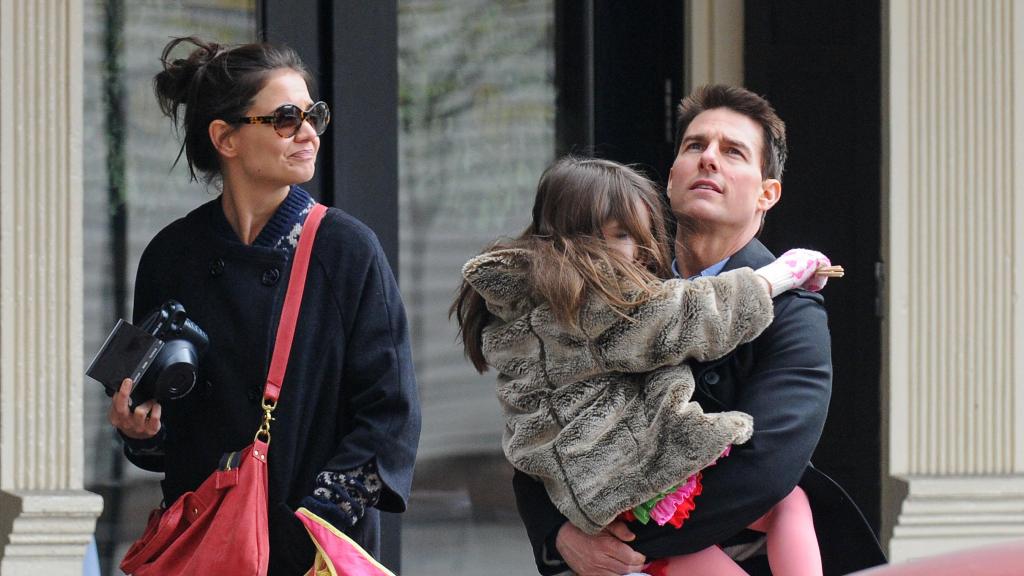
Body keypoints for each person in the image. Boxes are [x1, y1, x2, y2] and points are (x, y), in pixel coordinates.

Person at [511, 85, 887, 576]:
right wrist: (559, 536)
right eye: (695, 146)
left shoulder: (794, 307)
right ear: (671, 179)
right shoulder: (609, 288)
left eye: (733, 152)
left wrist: (621, 537)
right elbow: (539, 412)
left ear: (766, 193)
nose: (709, 159)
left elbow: (769, 463)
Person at [106, 36, 420, 574]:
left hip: (312, 550)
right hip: (203, 543)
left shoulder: (346, 249)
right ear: (225, 138)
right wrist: (140, 428)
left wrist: (315, 519)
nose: (308, 134)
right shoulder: (167, 255)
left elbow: (389, 415)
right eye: (285, 119)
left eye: (313, 115)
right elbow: (145, 411)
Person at [453, 156, 832, 575]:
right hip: (638, 481)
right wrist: (780, 275)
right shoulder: (591, 302)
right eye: (603, 236)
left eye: (627, 235)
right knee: (727, 534)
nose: (623, 251)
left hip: (614, 489)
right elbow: (691, 317)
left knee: (788, 502)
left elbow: (775, 458)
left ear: (767, 192)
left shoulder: (535, 302)